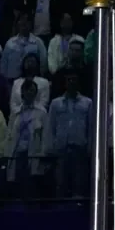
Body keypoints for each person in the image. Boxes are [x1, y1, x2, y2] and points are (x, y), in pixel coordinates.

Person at [47, 69, 91, 197]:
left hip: (80, 148)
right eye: (69, 80)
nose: (71, 82)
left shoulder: (88, 103)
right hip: (61, 149)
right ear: (65, 83)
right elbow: (51, 126)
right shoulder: (55, 103)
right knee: (60, 183)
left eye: (74, 80)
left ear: (78, 83)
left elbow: (90, 126)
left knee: (79, 183)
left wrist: (90, 148)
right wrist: (51, 148)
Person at [4, 79, 47, 198]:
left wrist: (42, 155)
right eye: (27, 90)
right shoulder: (15, 113)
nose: (29, 93)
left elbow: (45, 136)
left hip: (33, 153)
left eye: (32, 90)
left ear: (35, 92)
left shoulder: (41, 112)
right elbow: (9, 135)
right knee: (17, 186)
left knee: (31, 188)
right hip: (18, 153)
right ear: (22, 92)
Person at [0, 13, 48, 80]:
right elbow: (3, 64)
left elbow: (43, 63)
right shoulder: (10, 42)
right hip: (11, 80)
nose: (23, 23)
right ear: (18, 24)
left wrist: (39, 79)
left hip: (32, 81)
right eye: (21, 20)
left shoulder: (38, 42)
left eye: (26, 21)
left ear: (31, 24)